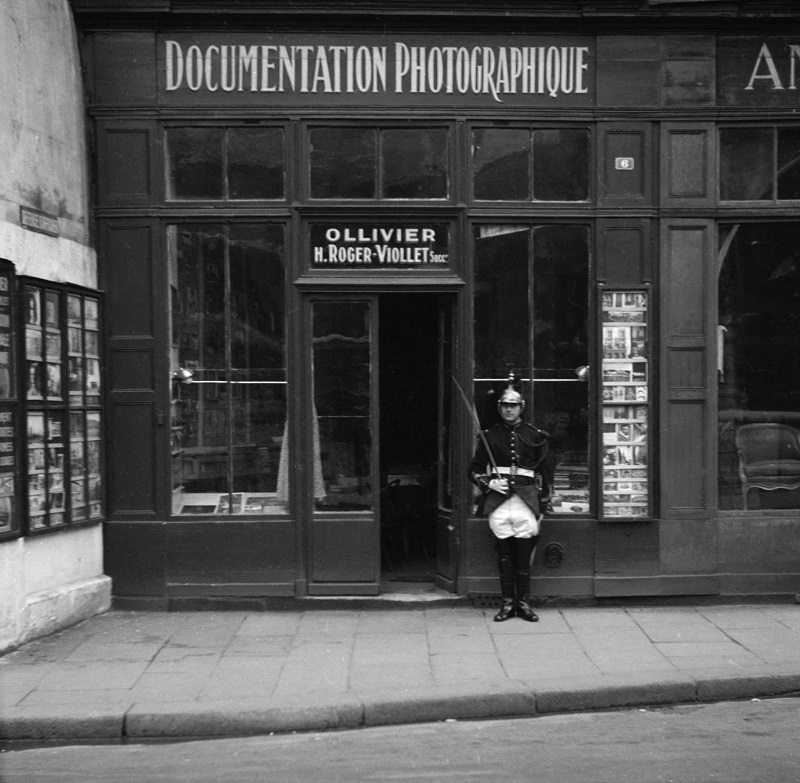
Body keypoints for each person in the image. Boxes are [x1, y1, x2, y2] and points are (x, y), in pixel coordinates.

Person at [469, 376, 551, 622]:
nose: (508, 409)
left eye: (513, 405)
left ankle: (523, 604)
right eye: (505, 405)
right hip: (499, 502)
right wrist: (488, 483)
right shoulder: (489, 436)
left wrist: (543, 507)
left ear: (521, 407)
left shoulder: (535, 436)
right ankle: (507, 604)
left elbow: (546, 475)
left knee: (523, 558)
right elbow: (473, 470)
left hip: (526, 501)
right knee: (504, 557)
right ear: (499, 407)